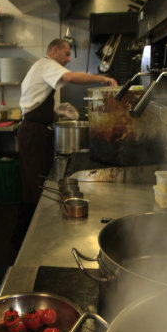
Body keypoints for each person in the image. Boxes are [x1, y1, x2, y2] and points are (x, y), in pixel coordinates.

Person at [14, 39, 117, 241]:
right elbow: (70, 78)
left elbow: (36, 102)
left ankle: (27, 234)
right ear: (54, 50)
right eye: (67, 54)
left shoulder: (42, 67)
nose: (69, 59)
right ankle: (26, 238)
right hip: (33, 134)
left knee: (36, 184)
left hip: (35, 131)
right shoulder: (46, 64)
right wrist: (102, 79)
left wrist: (55, 113)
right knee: (35, 187)